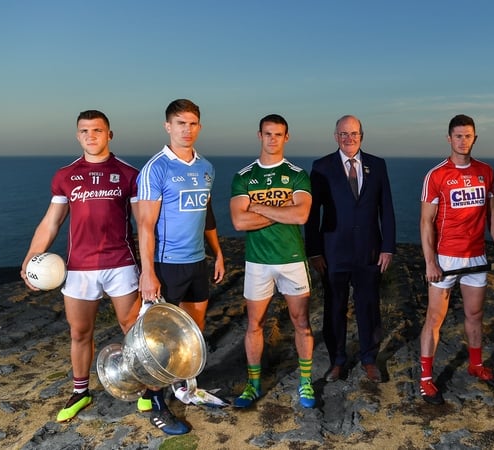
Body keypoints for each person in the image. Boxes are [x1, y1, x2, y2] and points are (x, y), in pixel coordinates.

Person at [21, 110, 141, 423]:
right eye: (85, 131)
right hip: (79, 267)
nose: (91, 136)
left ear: (109, 134)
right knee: (79, 332)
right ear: (77, 136)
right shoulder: (65, 176)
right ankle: (81, 392)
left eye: (97, 130)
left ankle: (144, 387)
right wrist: (31, 257)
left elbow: (144, 224)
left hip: (121, 263)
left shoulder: (129, 174)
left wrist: (151, 269)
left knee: (132, 328)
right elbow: (51, 222)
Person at [136, 99, 225, 435]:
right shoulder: (156, 168)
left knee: (193, 332)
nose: (187, 130)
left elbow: (207, 214)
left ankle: (185, 387)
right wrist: (148, 272)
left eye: (192, 123)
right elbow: (145, 226)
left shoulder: (206, 167)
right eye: (180, 123)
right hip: (166, 265)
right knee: (160, 340)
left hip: (197, 262)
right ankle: (156, 402)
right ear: (167, 126)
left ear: (199, 126)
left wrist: (218, 253)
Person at [230, 114, 316, 409]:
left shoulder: (297, 175)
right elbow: (239, 222)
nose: (272, 139)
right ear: (260, 135)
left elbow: (301, 215)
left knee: (301, 322)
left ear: (286, 137)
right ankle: (253, 384)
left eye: (278, 134)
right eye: (268, 133)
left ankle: (305, 381)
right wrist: (281, 209)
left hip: (292, 259)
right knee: (255, 324)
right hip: (258, 261)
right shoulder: (244, 176)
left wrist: (258, 206)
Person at [418, 114, 494, 405]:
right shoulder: (436, 175)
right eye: (458, 136)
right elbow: (425, 221)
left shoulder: (486, 171)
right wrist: (430, 261)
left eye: (468, 136)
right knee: (434, 319)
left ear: (474, 138)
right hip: (446, 258)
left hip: (476, 256)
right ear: (449, 138)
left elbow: (493, 213)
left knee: (475, 315)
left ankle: (476, 365)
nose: (463, 141)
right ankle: (426, 379)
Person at [305, 115, 396, 383]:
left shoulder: (377, 165)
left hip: (369, 251)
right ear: (336, 137)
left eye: (354, 133)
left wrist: (388, 247)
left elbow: (386, 209)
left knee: (368, 306)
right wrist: (314, 251)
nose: (349, 138)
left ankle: (369, 359)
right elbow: (312, 213)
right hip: (333, 252)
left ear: (361, 136)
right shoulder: (321, 167)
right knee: (334, 307)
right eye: (343, 134)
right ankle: (337, 361)